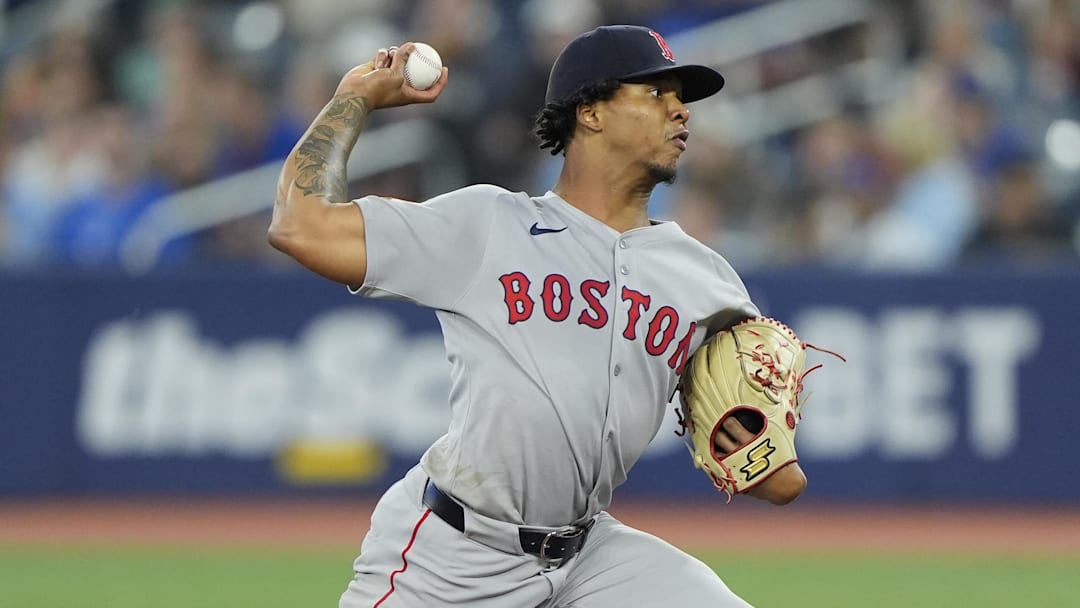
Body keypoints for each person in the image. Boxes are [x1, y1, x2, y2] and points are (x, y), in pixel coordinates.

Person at [270, 25, 806, 608]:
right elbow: (300, 225)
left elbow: (772, 477)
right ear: (591, 112)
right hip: (454, 555)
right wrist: (356, 95)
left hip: (589, 558)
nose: (681, 110)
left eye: (681, 97)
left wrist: (768, 454)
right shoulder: (487, 226)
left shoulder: (706, 279)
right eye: (655, 93)